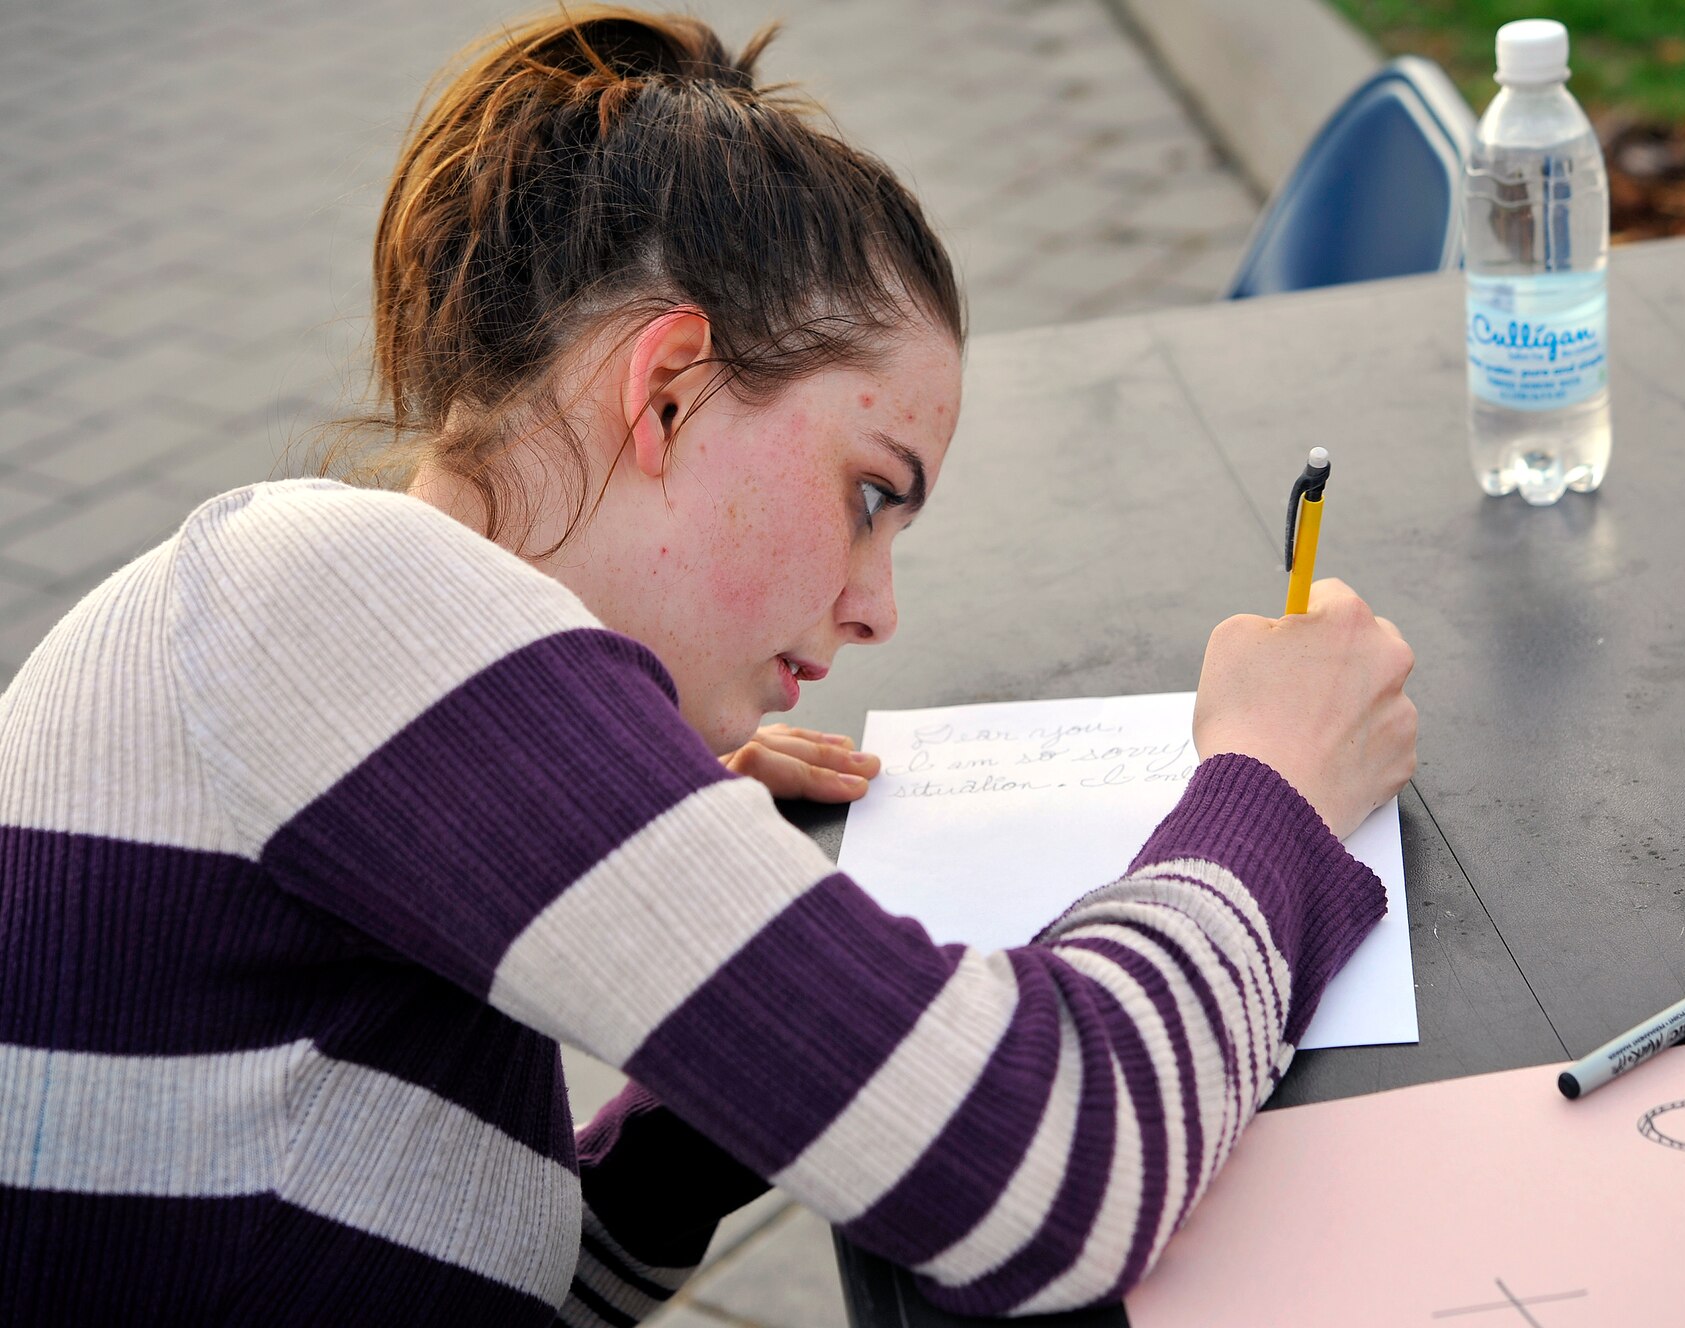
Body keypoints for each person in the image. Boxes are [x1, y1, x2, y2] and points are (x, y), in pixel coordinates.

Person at [0, 7, 1416, 1325]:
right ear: (668, 390)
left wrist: (727, 1024)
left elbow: (500, 1279)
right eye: (874, 493)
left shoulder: (352, 672)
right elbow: (1053, 1169)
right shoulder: (329, 593)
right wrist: (1273, 783)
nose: (877, 609)